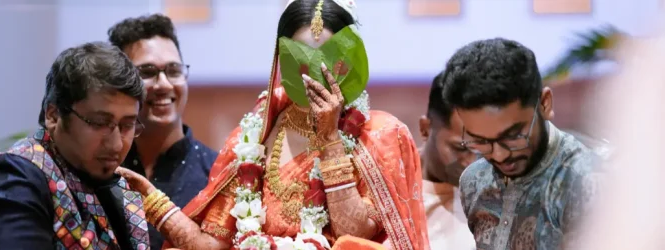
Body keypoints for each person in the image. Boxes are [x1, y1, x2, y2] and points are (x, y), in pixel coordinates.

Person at [116, 0, 429, 249]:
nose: (316, 74)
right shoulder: (254, 134)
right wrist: (152, 199)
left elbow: (354, 235)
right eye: (301, 60)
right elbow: (211, 243)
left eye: (329, 60)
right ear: (282, 58)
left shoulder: (381, 136)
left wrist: (331, 138)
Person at [0, 42, 150, 249]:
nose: (116, 144)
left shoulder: (117, 185)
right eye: (99, 123)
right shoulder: (14, 179)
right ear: (53, 115)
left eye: (127, 125)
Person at [442, 38, 602, 249]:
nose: (499, 155)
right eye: (480, 141)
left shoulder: (587, 183)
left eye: (513, 136)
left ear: (544, 104)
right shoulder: (473, 181)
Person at [108, 14, 218, 250]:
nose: (164, 84)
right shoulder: (101, 168)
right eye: (147, 72)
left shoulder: (218, 174)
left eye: (174, 70)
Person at [414, 72, 476, 249]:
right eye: (460, 148)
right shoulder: (381, 180)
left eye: (480, 149)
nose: (471, 162)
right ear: (425, 129)